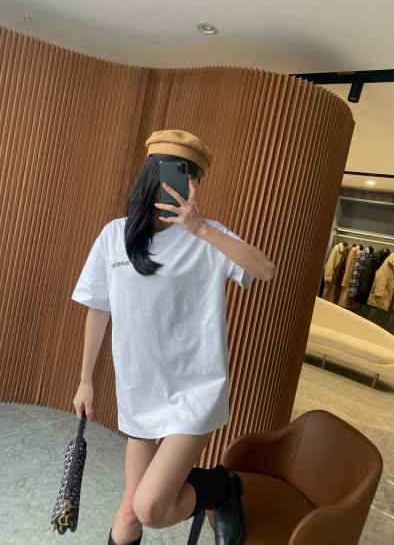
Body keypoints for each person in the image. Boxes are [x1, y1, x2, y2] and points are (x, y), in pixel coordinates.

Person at [72, 129, 276, 545]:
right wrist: (85, 380)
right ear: (152, 175)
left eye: (193, 177)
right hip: (139, 387)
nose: (185, 185)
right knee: (130, 509)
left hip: (196, 389)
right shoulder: (114, 235)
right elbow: (99, 309)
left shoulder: (209, 235)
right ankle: (220, 487)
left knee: (151, 507)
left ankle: (223, 487)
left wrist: (202, 230)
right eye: (177, 173)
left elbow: (266, 270)